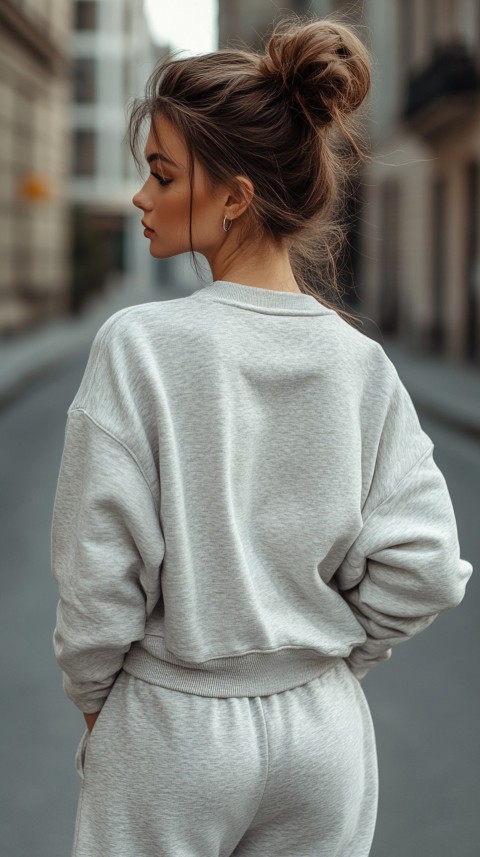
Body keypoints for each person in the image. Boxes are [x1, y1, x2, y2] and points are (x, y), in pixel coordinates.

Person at [51, 16, 473, 857]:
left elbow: (98, 578)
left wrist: (100, 708)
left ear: (235, 196)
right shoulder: (362, 365)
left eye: (164, 176)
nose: (143, 196)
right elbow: (425, 566)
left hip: (172, 725)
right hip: (324, 736)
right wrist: (327, 665)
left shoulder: (140, 347)